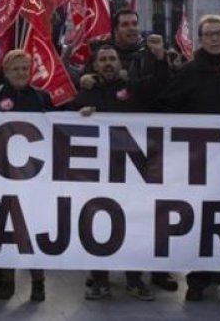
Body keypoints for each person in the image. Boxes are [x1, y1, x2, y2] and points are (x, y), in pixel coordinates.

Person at [158, 15, 220, 304]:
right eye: (209, 34)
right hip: (199, 159)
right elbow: (166, 106)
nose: (215, 38)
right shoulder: (188, 72)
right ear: (201, 39)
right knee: (201, 219)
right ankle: (198, 281)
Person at [77, 44, 155, 302]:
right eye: (103, 60)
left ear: (120, 63)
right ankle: (100, 279)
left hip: (132, 169)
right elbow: (64, 115)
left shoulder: (132, 88)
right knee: (98, 223)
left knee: (132, 222)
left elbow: (161, 90)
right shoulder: (86, 90)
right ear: (96, 65)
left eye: (113, 59)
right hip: (98, 171)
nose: (108, 63)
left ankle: (134, 278)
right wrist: (80, 113)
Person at [0, 49, 53, 302]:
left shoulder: (42, 97)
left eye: (25, 68)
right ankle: (7, 281)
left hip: (35, 175)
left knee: (34, 228)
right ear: (6, 71)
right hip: (2, 174)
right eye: (16, 69)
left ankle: (38, 282)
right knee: (6, 229)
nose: (22, 73)